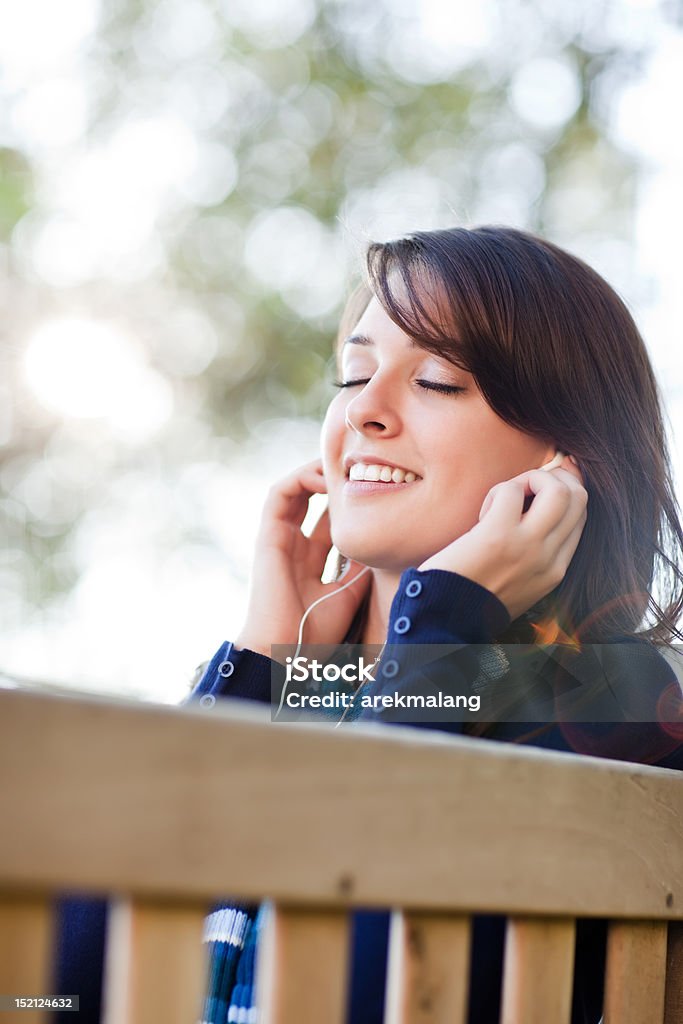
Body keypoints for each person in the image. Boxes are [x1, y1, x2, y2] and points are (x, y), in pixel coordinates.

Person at [55, 226, 683, 1023]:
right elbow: (53, 990)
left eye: (437, 380)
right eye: (353, 374)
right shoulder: (307, 702)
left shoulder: (616, 701)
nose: (365, 413)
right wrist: (256, 667)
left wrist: (450, 619)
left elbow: (360, 992)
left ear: (561, 464)